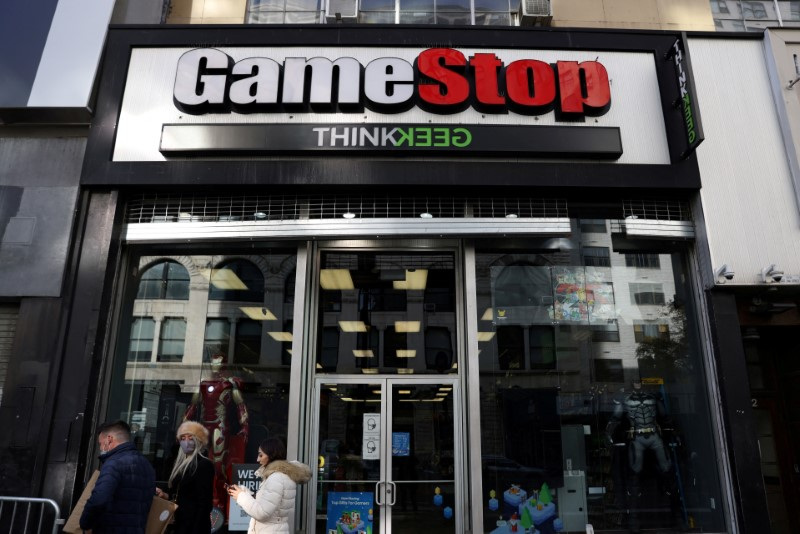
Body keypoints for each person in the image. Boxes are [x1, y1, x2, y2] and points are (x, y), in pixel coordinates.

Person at [184, 352, 250, 515]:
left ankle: (218, 499)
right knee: (198, 463)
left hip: (220, 427)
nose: (215, 365)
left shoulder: (229, 384)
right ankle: (203, 498)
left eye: (218, 362)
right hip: (205, 427)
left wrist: (245, 426)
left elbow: (240, 405)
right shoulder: (203, 384)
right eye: (213, 362)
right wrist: (184, 423)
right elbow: (192, 406)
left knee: (218, 465)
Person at [79, 420, 156, 534]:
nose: (101, 448)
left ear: (109, 439)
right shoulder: (146, 464)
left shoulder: (113, 464)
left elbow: (99, 499)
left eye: (100, 443)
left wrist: (85, 522)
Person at [227, 438, 311, 534]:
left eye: (261, 455)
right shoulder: (280, 475)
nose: (258, 459)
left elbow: (262, 513)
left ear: (271, 455)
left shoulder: (276, 478)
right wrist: (244, 492)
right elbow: (269, 505)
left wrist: (241, 496)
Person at [155, 421, 214, 534]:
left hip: (193, 526)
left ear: (198, 441)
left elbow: (204, 503)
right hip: (179, 523)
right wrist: (164, 495)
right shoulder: (180, 464)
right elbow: (178, 493)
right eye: (183, 438)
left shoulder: (204, 465)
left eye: (190, 438)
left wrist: (196, 530)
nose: (186, 442)